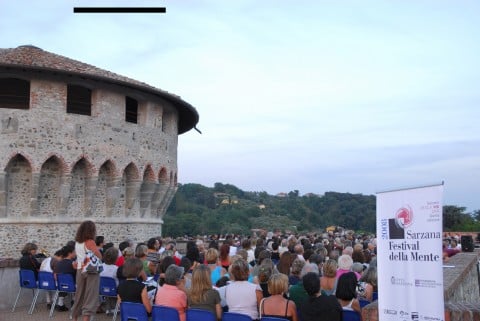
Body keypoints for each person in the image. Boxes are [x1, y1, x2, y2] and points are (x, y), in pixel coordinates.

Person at [71, 220, 103, 321]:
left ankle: (74, 317)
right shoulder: (90, 242)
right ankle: (86, 319)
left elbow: (78, 257)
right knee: (90, 296)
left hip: (80, 270)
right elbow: (99, 256)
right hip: (90, 270)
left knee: (79, 295)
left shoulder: (77, 243)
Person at [53, 244, 77, 312]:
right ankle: (74, 303)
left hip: (61, 286)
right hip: (72, 286)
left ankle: (60, 304)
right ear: (70, 253)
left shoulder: (58, 263)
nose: (75, 253)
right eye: (74, 252)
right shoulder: (73, 263)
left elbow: (55, 276)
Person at [100, 247, 119, 315]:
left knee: (107, 287)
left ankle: (108, 308)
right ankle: (114, 308)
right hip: (114, 289)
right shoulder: (116, 269)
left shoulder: (100, 266)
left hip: (102, 289)